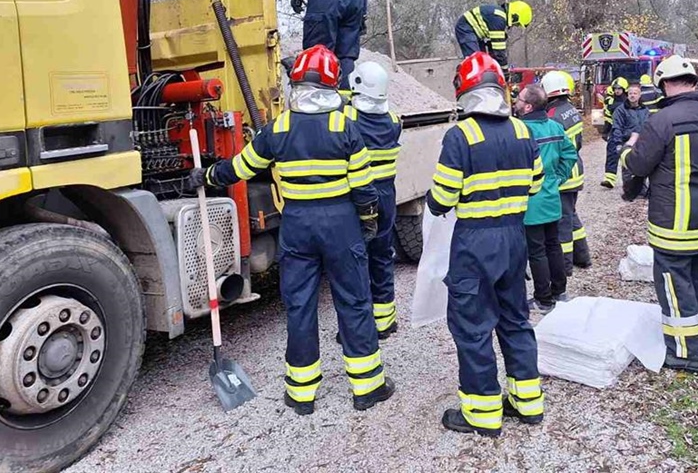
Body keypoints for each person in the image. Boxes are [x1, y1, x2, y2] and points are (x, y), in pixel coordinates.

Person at [190, 45, 395, 414]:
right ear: (333, 85)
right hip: (341, 224)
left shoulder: (278, 128)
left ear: (295, 83)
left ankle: (301, 393)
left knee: (300, 306)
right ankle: (367, 387)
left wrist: (205, 175)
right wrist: (368, 221)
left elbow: (240, 168)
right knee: (353, 301)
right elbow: (364, 187)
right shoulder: (345, 127)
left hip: (297, 225)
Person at [427, 52, 545, 437]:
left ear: (464, 92)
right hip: (514, 239)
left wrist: (436, 200)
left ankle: (482, 412)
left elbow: (442, 198)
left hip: (475, 243)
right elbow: (536, 186)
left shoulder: (461, 135)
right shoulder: (524, 131)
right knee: (515, 319)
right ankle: (528, 402)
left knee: (473, 326)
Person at [619, 55, 698, 372]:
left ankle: (686, 353)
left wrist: (627, 150)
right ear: (694, 83)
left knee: (675, 286)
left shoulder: (662, 121)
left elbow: (639, 164)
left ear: (665, 85)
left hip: (672, 224)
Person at [347, 60, 403, 338]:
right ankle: (385, 321)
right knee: (382, 255)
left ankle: (360, 325)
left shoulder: (348, 117)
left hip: (360, 196)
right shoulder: (393, 120)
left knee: (356, 259)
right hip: (386, 195)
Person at [516, 84, 578, 313]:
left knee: (537, 251)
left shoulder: (520, 130)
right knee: (553, 245)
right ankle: (560, 292)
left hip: (530, 199)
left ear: (528, 106)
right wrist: (558, 178)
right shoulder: (555, 126)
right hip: (551, 196)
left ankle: (543, 299)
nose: (516, 101)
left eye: (519, 99)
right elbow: (570, 154)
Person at [542, 71, 590, 272]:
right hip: (575, 170)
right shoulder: (571, 110)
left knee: (562, 221)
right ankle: (582, 256)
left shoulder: (552, 116)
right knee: (571, 215)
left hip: (564, 175)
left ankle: (564, 264)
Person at [454, 2, 533, 69]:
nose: (514, 26)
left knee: (482, 64)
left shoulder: (498, 16)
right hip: (465, 29)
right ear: (514, 17)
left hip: (474, 32)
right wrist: (504, 69)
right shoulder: (498, 19)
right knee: (476, 62)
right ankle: (464, 73)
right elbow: (499, 51)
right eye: (517, 24)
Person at [610, 82, 650, 195]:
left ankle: (641, 190)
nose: (632, 95)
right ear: (627, 95)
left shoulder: (645, 110)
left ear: (639, 95)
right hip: (627, 142)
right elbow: (617, 127)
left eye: (635, 93)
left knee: (642, 166)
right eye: (630, 93)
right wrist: (618, 143)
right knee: (627, 167)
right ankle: (629, 191)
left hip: (642, 142)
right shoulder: (620, 110)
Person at [600, 76, 629, 187]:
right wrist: (605, 132)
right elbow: (607, 118)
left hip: (627, 131)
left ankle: (631, 180)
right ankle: (609, 179)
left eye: (619, 88)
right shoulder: (610, 101)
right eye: (615, 88)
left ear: (624, 89)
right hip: (614, 131)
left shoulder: (629, 101)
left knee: (629, 155)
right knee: (612, 154)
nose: (617, 91)